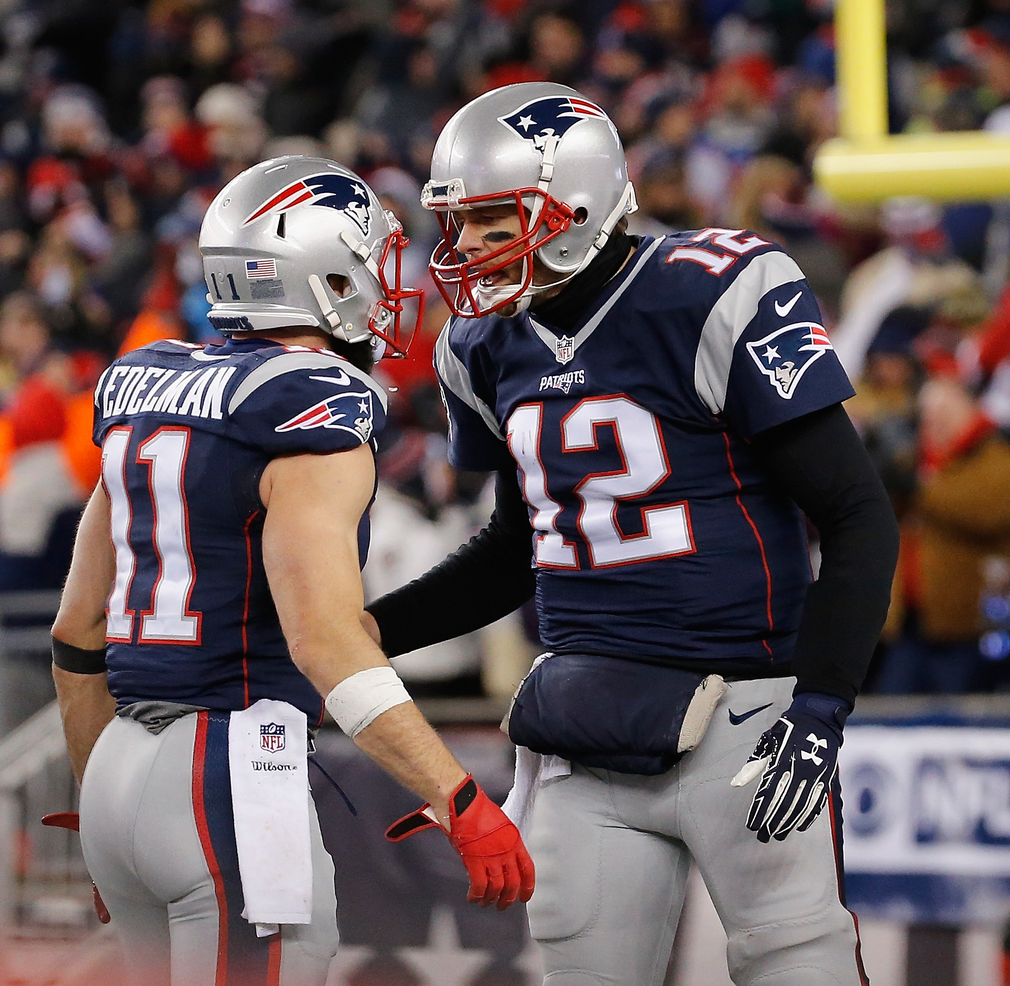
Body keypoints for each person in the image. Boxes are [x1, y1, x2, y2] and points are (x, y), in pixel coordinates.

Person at [362, 83, 900, 985]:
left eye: (494, 220)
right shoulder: (483, 346)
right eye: (459, 223)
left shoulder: (711, 291)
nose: (468, 247)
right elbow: (516, 551)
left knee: (796, 961)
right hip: (587, 722)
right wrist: (364, 635)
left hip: (746, 715)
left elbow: (857, 513)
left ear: (576, 204)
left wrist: (820, 706)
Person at [49, 156, 534, 986]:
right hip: (229, 769)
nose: (384, 286)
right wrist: (457, 797)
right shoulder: (315, 400)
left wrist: (105, 801)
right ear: (325, 277)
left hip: (117, 768)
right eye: (369, 264)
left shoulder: (143, 381)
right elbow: (324, 641)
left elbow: (77, 630)